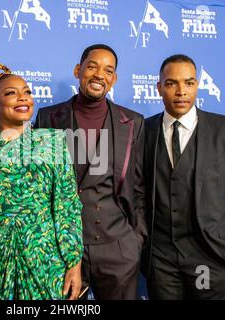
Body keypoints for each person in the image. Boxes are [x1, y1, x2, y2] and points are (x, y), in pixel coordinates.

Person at [34, 44, 147, 299]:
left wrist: (136, 239)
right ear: (78, 70)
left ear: (114, 79)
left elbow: (139, 185)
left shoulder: (133, 122)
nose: (99, 75)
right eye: (92, 66)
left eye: (108, 70)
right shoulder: (47, 118)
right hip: (63, 249)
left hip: (118, 248)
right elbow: (38, 185)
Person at [142, 54, 225, 299]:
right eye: (172, 83)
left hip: (211, 258)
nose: (181, 91)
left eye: (189, 82)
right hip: (161, 261)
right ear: (159, 88)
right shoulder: (144, 130)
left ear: (197, 85)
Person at [0, 62, 83, 300]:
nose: (23, 98)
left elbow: (67, 205)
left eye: (27, 92)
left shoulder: (53, 142)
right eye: (11, 93)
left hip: (45, 264)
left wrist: (74, 263)